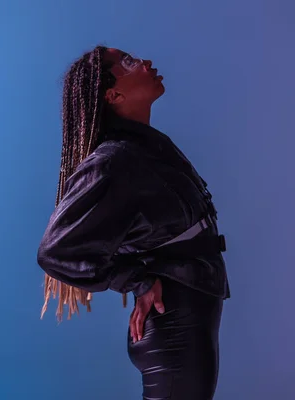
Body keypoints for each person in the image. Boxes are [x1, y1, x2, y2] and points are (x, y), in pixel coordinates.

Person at [36, 45, 230, 400]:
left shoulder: (140, 148)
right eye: (128, 62)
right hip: (174, 329)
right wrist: (136, 281)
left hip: (188, 320)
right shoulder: (114, 161)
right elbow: (56, 251)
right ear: (113, 95)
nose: (144, 62)